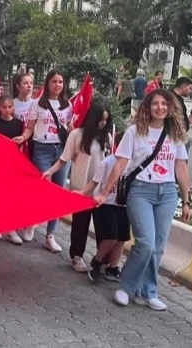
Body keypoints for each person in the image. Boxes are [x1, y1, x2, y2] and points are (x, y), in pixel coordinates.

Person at [95, 89, 191, 310]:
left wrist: (186, 201)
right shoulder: (134, 132)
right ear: (147, 107)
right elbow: (120, 164)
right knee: (146, 243)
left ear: (170, 107)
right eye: (155, 103)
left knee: (157, 247)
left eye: (164, 104)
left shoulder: (176, 133)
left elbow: (181, 168)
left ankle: (147, 292)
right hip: (140, 191)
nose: (160, 107)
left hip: (167, 193)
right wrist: (104, 191)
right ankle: (126, 288)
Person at [41, 102, 111, 271]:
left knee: (104, 227)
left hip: (100, 190)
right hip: (80, 188)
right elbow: (64, 159)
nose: (102, 123)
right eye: (100, 120)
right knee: (80, 226)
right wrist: (50, 171)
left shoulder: (106, 138)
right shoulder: (76, 135)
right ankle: (76, 257)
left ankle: (102, 260)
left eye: (105, 121)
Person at [21, 70, 73, 253]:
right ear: (47, 83)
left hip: (62, 151)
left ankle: (50, 235)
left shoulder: (68, 105)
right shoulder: (37, 104)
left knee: (58, 193)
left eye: (60, 82)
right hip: (42, 149)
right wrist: (22, 137)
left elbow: (68, 128)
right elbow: (30, 128)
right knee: (41, 189)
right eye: (54, 81)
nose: (58, 85)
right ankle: (32, 221)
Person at [80, 131, 128, 283]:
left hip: (123, 204)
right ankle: (97, 260)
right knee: (111, 237)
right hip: (106, 204)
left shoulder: (134, 163)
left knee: (121, 238)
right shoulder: (107, 162)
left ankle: (112, 268)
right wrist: (82, 192)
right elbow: (95, 181)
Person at [0, 95, 25, 244]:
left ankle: (11, 229)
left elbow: (22, 144)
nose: (7, 110)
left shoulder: (19, 124)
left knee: (11, 195)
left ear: (14, 108)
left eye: (10, 107)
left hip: (13, 163)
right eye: (4, 107)